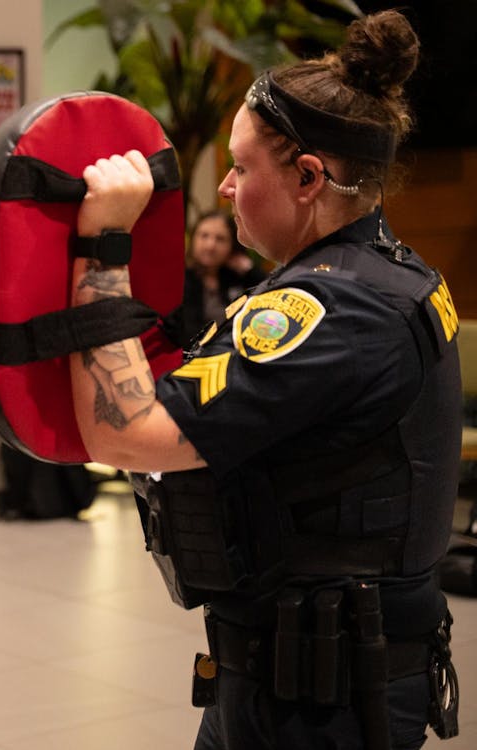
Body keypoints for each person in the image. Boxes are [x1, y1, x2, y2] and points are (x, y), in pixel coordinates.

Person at [67, 11, 460, 749]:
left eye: (242, 167)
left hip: (315, 703)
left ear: (309, 178)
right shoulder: (394, 274)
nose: (224, 184)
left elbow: (122, 433)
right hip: (309, 669)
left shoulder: (328, 307)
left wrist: (102, 246)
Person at [181, 210, 266, 341]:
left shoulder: (235, 277)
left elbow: (269, 296)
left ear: (232, 245)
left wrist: (250, 269)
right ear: (193, 239)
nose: (210, 246)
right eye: (204, 236)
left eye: (220, 239)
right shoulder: (180, 277)